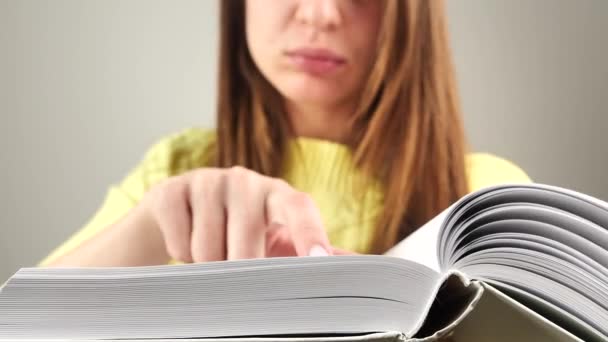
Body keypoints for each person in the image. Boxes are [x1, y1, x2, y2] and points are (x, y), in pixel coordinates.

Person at [41, 0, 530, 267]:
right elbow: (21, 321)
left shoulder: (486, 198)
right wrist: (153, 225)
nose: (321, 12)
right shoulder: (174, 171)